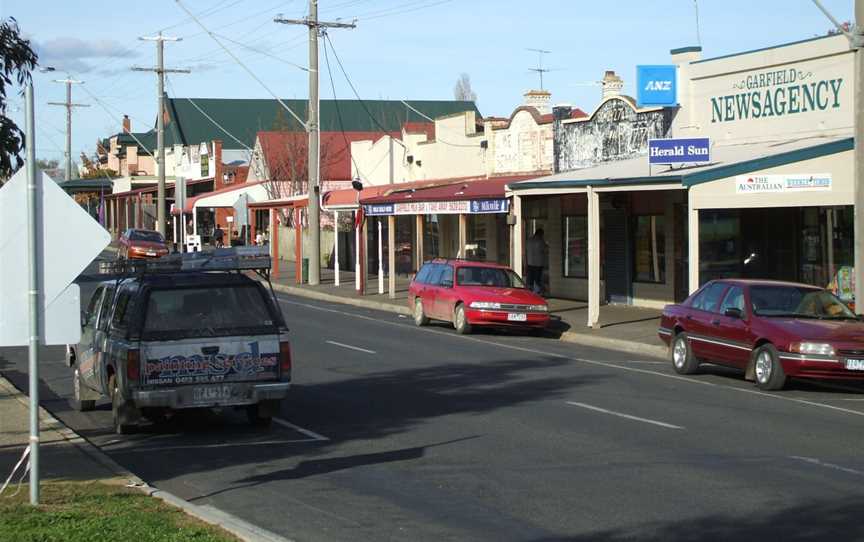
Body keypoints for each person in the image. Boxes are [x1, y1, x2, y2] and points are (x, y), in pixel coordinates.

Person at [525, 228, 547, 294]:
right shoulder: (540, 241)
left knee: (530, 278)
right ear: (540, 234)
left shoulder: (529, 241)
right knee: (538, 279)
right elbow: (545, 250)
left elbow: (526, 251)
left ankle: (530, 291)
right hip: (539, 263)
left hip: (530, 262)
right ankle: (538, 291)